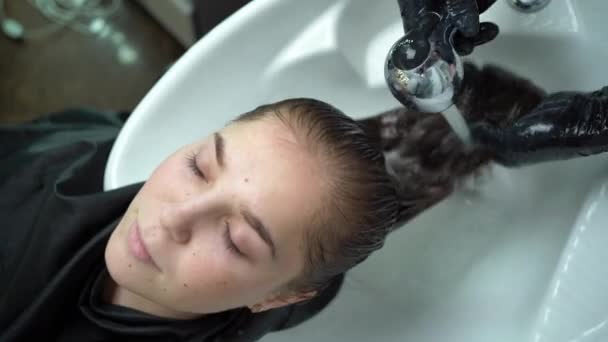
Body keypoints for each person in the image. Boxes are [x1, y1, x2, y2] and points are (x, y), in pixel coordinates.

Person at [0, 99, 400, 341]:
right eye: (199, 167)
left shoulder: (295, 293)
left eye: (234, 239)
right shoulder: (46, 180)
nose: (175, 215)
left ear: (274, 299)